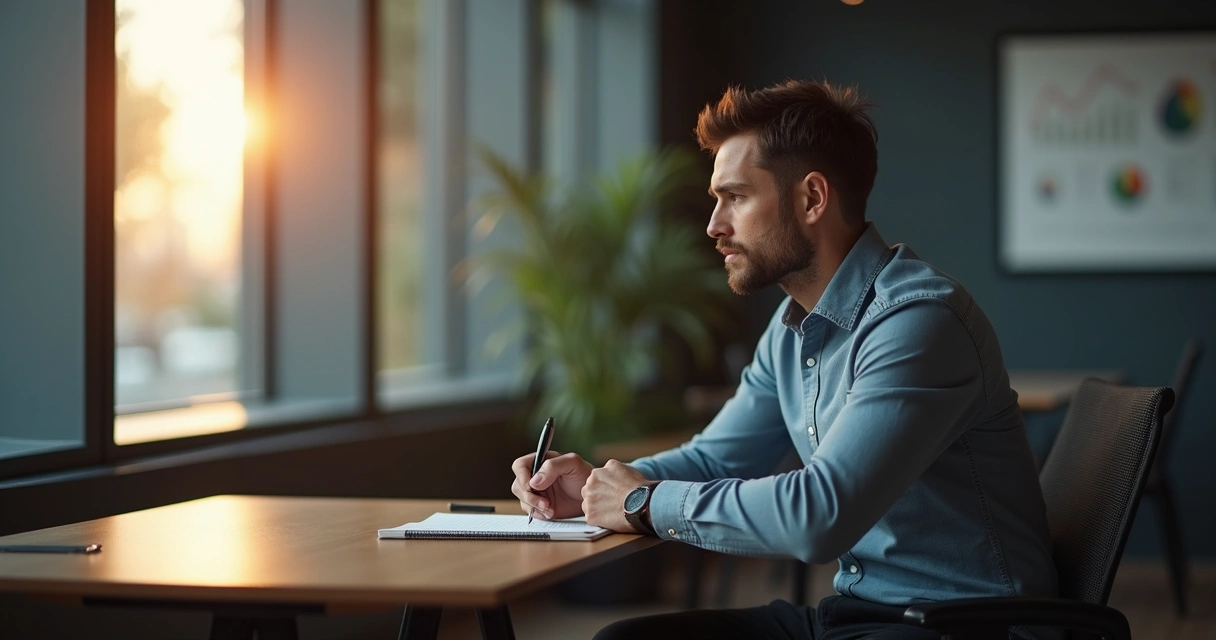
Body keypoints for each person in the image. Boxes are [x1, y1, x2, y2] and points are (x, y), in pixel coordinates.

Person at [510, 79, 1058, 640]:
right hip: (859, 614)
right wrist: (601, 485)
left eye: (736, 197)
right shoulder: (790, 326)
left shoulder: (918, 322)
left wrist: (644, 502)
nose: (713, 225)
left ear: (812, 199)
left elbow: (820, 515)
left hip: (967, 627)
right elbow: (716, 458)